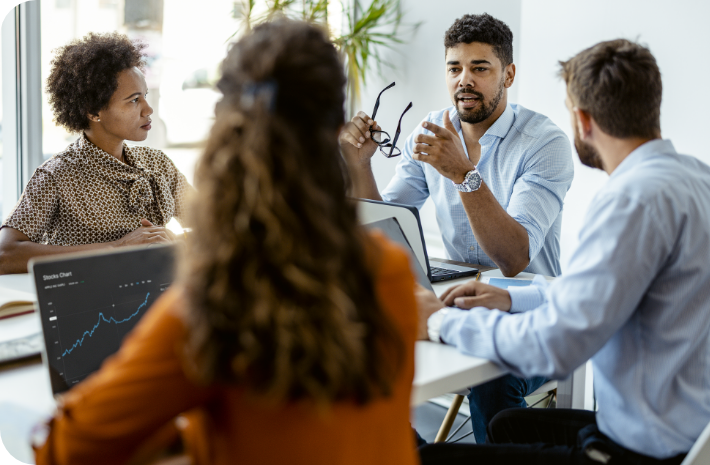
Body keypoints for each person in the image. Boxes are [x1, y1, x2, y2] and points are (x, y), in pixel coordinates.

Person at [32, 20, 420, 465]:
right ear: (337, 127)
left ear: (226, 130)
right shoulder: (390, 269)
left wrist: (178, 424)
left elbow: (60, 448)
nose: (146, 109)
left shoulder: (212, 308)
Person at [417, 38, 710, 464]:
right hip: (704, 432)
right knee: (507, 426)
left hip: (641, 452)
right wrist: (512, 296)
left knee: (427, 456)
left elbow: (555, 346)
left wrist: (440, 321)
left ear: (583, 119)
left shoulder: (632, 201)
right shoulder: (702, 180)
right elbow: (608, 294)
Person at [341, 13, 573, 443]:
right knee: (361, 346)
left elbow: (513, 258)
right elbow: (385, 224)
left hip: (532, 310)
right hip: (457, 299)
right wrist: (360, 166)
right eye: (454, 68)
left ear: (508, 74)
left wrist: (464, 175)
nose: (464, 80)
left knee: (492, 380)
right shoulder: (430, 131)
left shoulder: (545, 143)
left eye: (480, 68)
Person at [0, 32, 192, 275]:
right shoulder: (57, 175)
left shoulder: (158, 164)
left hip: (157, 294)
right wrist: (115, 248)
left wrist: (179, 241)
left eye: (146, 96)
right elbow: (5, 255)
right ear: (93, 111)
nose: (148, 109)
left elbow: (215, 225)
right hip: (91, 305)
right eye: (134, 100)